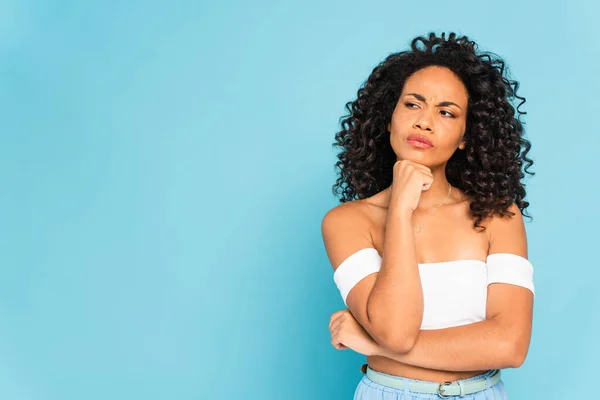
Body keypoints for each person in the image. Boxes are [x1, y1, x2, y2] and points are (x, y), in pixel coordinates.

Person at [321, 32, 535, 399]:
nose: (424, 122)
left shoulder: (499, 216)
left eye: (446, 112)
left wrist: (374, 346)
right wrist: (400, 210)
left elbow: (511, 345)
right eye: (412, 105)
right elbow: (397, 330)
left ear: (466, 136)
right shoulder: (346, 222)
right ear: (388, 119)